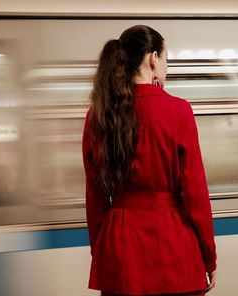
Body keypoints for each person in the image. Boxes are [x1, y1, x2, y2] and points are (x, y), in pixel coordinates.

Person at [82, 25, 217, 296]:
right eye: (166, 59)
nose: (166, 67)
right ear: (153, 59)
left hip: (120, 249)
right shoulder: (178, 110)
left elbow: (95, 196)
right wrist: (208, 255)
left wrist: (103, 252)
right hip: (174, 246)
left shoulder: (98, 115)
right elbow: (195, 193)